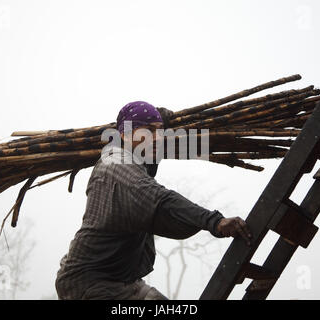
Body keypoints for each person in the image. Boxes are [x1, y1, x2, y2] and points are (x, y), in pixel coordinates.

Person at [55, 101, 252, 300]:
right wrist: (214, 221)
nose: (157, 138)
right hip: (90, 283)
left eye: (159, 131)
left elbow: (148, 169)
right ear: (123, 134)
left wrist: (160, 120)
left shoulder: (133, 160)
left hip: (123, 280)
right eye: (148, 131)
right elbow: (160, 198)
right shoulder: (116, 164)